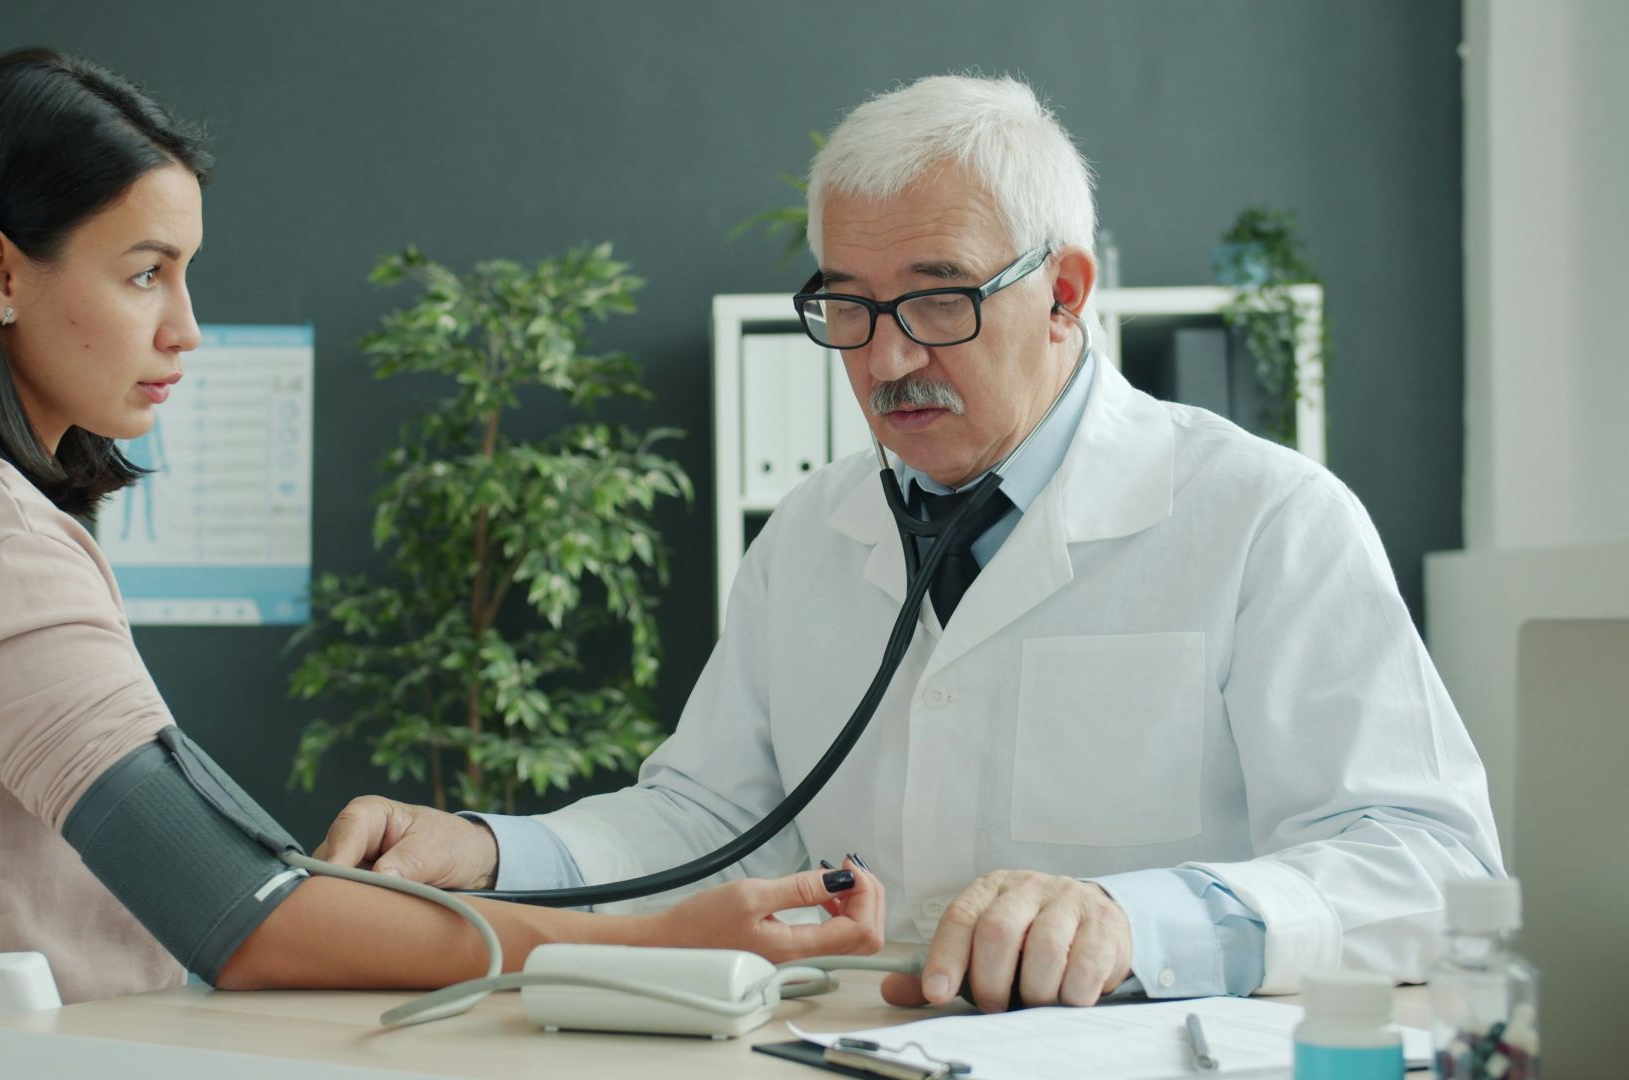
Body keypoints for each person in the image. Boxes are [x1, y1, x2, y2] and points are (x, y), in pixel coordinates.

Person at [327, 74, 1503, 1014]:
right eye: (848, 304)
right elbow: (707, 823)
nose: (886, 359)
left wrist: (1136, 922)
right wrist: (491, 850)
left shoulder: (1266, 519)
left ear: (1063, 294)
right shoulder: (810, 532)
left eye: (939, 300)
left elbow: (1425, 868)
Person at [0, 47, 882, 1020]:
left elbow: (231, 867)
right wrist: (661, 944)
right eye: (146, 273)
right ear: (0, 273)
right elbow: (234, 914)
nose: (186, 329)